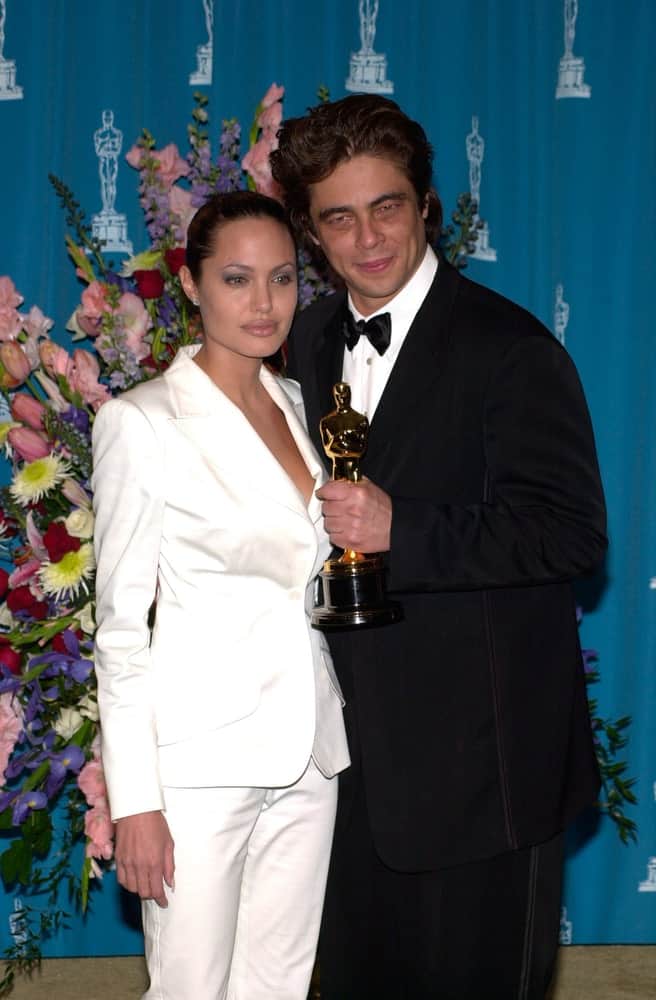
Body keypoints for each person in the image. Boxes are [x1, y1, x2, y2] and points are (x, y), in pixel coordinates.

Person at [271, 95, 607, 999]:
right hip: (337, 778)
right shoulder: (298, 343)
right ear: (310, 232)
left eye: (387, 207)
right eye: (339, 217)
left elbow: (572, 532)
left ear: (425, 206)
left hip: (481, 779)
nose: (368, 237)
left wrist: (403, 529)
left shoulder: (512, 348)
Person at [91, 190, 349, 1000]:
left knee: (278, 987)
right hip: (199, 767)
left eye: (281, 278)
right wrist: (136, 801)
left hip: (310, 751)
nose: (264, 303)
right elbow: (121, 631)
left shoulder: (299, 404)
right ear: (193, 286)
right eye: (237, 279)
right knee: (191, 989)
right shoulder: (143, 421)